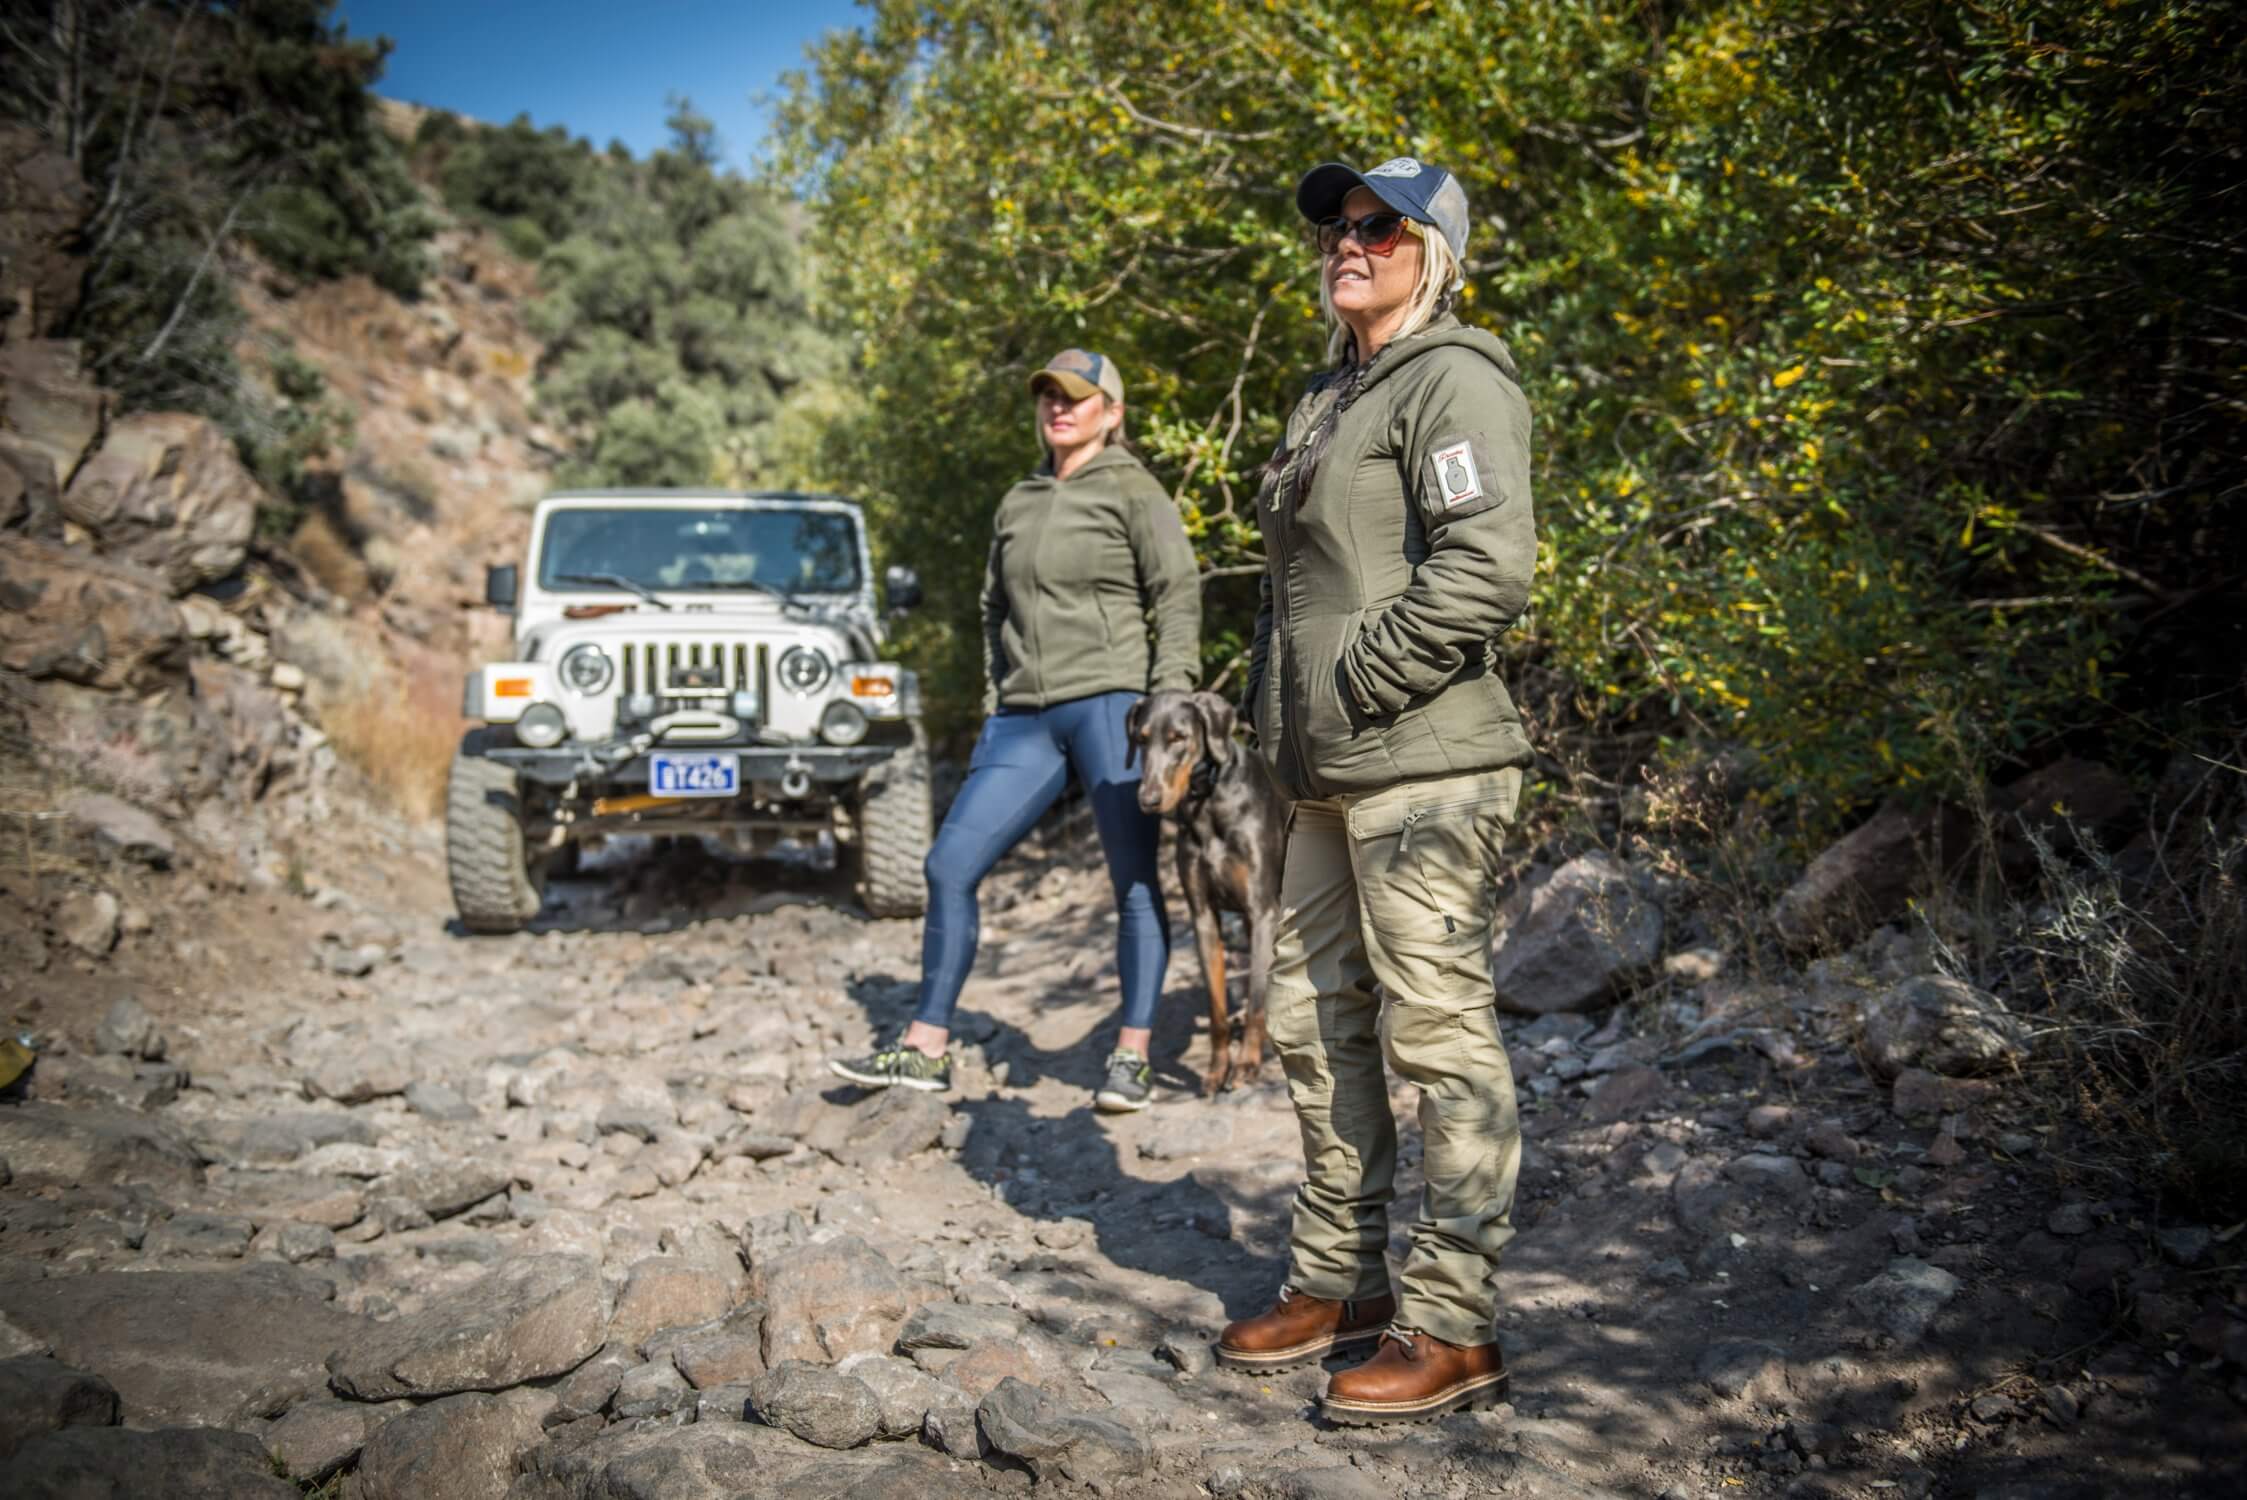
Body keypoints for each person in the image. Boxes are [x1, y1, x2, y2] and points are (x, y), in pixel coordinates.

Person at [1213, 158, 1536, 1424]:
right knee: (1308, 1022)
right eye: (1336, 229)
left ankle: (1453, 1326)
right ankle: (1340, 1281)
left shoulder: (1456, 378)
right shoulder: (1325, 396)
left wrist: (1353, 685)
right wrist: (1279, 722)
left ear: (1432, 251)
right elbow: (1293, 593)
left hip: (1426, 764)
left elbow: (1486, 567)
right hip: (1319, 777)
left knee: (1440, 1038)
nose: (1349, 243)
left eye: (1379, 227)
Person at [830, 349, 1201, 1112]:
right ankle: (925, 1048)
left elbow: (1176, 591)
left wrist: (1168, 699)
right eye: (1046, 397)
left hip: (1111, 706)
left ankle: (1130, 1056)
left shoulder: (1132, 489)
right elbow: (991, 607)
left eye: (1075, 397)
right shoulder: (1019, 499)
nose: (1057, 408)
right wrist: (997, 699)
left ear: (1111, 412)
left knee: (1131, 878)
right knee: (948, 865)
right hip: (1025, 717)